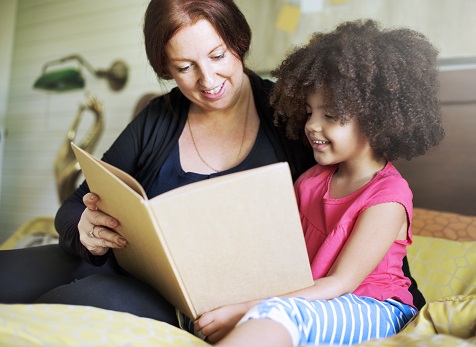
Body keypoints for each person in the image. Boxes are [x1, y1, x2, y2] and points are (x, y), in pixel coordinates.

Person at [0, 0, 424, 334]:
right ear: (166, 70)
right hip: (119, 261)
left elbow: (364, 213)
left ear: (238, 42)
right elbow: (74, 206)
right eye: (184, 68)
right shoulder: (159, 117)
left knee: (68, 308)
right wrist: (83, 229)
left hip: (183, 301)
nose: (207, 80)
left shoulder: (296, 118)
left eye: (218, 55)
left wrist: (411, 307)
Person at [194, 19, 445, 346]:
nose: (311, 125)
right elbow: (283, 261)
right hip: (317, 303)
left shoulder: (389, 196)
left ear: (375, 118)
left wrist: (252, 307)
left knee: (278, 314)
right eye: (310, 112)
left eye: (329, 115)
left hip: (378, 309)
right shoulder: (310, 181)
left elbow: (342, 282)